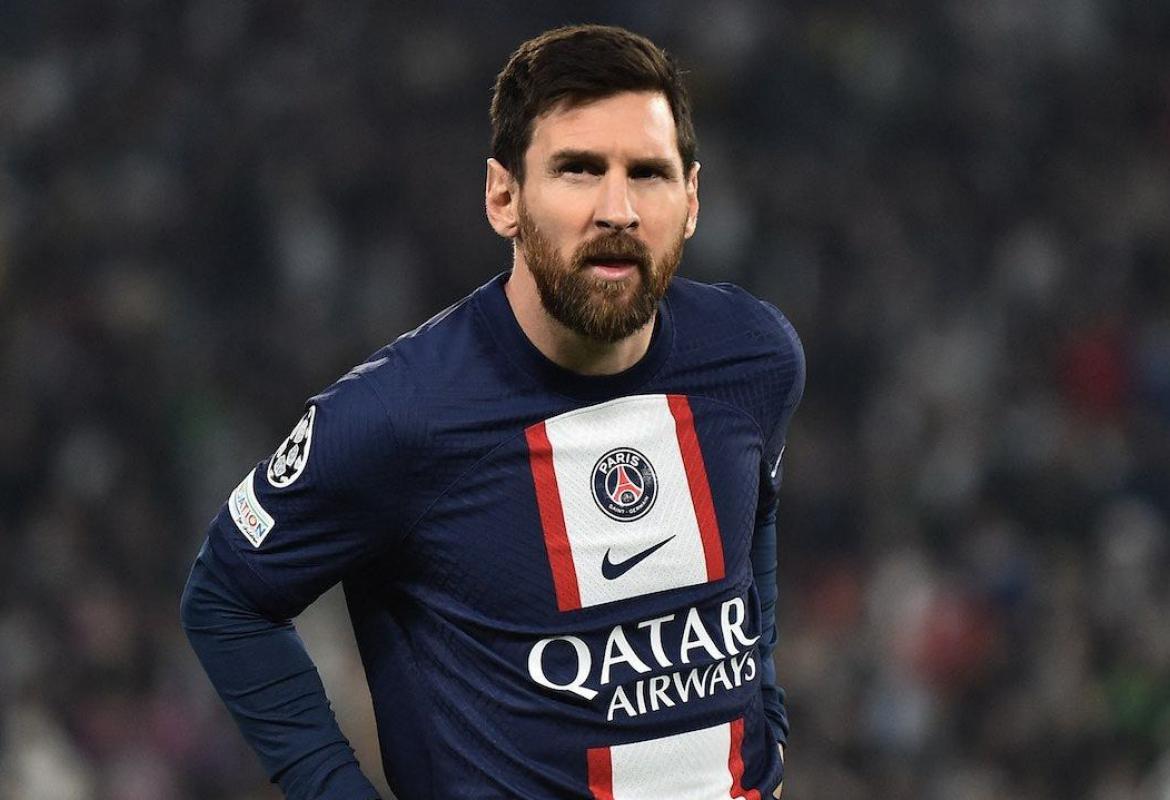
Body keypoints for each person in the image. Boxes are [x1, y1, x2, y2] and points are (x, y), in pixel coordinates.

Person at [181, 23, 804, 800]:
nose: (617, 209)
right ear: (503, 197)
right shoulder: (398, 416)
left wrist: (769, 719)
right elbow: (227, 597)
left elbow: (753, 535)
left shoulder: (754, 357)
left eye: (648, 173)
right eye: (578, 170)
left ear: (692, 201)